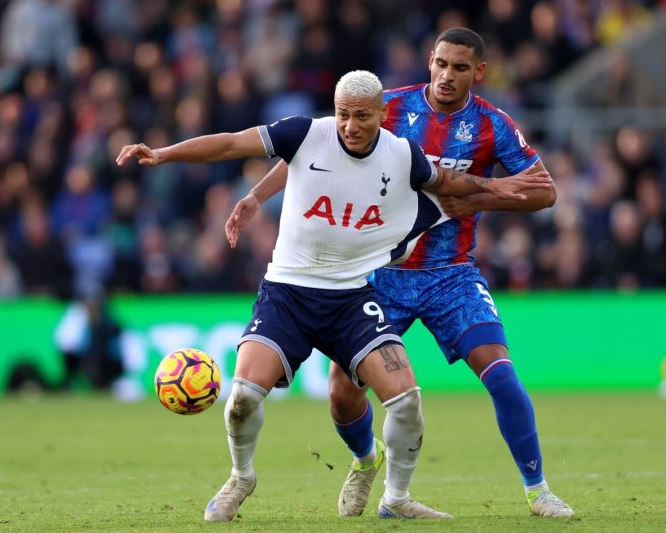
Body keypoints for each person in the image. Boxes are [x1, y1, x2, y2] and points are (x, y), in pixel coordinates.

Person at [117, 69, 552, 522]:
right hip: (287, 293)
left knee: (406, 401)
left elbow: (456, 186)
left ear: (383, 115)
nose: (350, 125)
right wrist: (164, 154)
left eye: (362, 116)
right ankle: (241, 476)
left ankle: (396, 497)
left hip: (350, 298)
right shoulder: (305, 133)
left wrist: (508, 189)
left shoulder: (403, 156)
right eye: (343, 114)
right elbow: (229, 144)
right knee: (244, 395)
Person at [226, 28, 574, 518]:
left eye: (459, 67)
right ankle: (365, 463)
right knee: (342, 396)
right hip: (378, 272)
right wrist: (258, 197)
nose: (447, 75)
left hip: (450, 273)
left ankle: (538, 491)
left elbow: (543, 191)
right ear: (429, 62)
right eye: (441, 64)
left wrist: (480, 195)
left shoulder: (494, 126)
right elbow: (308, 150)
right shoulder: (385, 107)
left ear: (480, 72)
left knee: (499, 370)